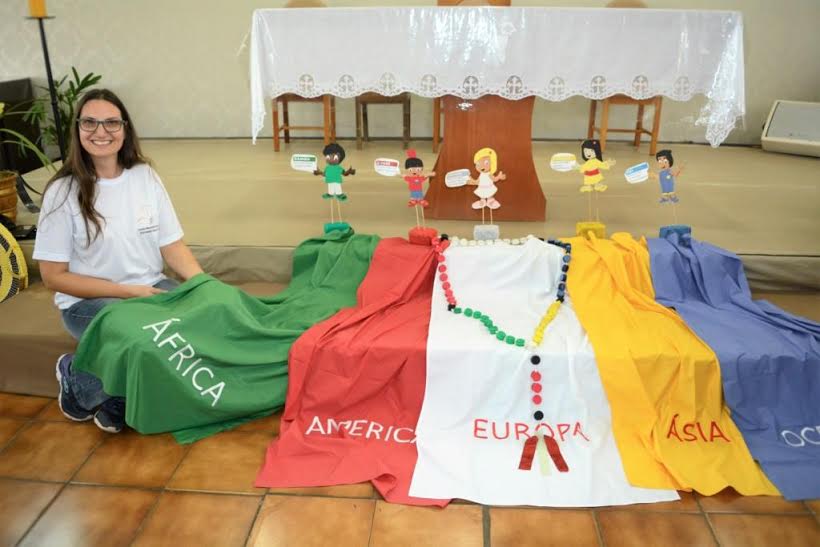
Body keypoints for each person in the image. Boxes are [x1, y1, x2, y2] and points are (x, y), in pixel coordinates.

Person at [33, 88, 204, 433]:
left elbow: (171, 245)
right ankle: (78, 382)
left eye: (111, 122)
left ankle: (118, 392)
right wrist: (128, 292)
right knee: (142, 333)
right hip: (88, 302)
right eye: (90, 122)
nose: (101, 131)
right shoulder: (62, 191)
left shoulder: (145, 176)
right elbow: (53, 276)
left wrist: (203, 284)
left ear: (125, 128)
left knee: (200, 321)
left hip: (149, 286)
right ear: (78, 129)